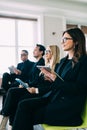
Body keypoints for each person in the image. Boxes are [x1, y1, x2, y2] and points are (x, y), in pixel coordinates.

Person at [10, 28, 87, 130]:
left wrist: (55, 79)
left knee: (27, 114)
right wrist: (51, 80)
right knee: (23, 105)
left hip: (68, 107)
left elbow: (79, 89)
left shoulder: (84, 62)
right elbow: (56, 85)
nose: (61, 42)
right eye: (62, 39)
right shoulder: (63, 61)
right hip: (54, 99)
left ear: (76, 41)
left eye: (65, 39)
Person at [0, 45, 60, 130]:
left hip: (43, 92)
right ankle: (9, 119)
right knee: (12, 91)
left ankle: (7, 117)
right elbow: (35, 79)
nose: (46, 53)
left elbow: (47, 84)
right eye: (46, 51)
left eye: (48, 51)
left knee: (15, 95)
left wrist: (33, 88)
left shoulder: (53, 66)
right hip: (35, 87)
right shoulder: (44, 64)